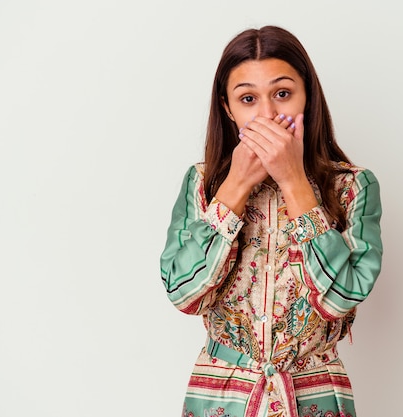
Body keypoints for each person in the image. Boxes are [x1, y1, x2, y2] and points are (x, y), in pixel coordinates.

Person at [160, 25, 383, 417]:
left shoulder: (352, 186)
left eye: (282, 94)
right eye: (248, 99)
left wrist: (294, 180)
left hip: (315, 394)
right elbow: (184, 294)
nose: (267, 115)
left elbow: (340, 299)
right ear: (228, 108)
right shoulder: (203, 183)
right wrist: (236, 185)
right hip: (222, 395)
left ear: (307, 98)